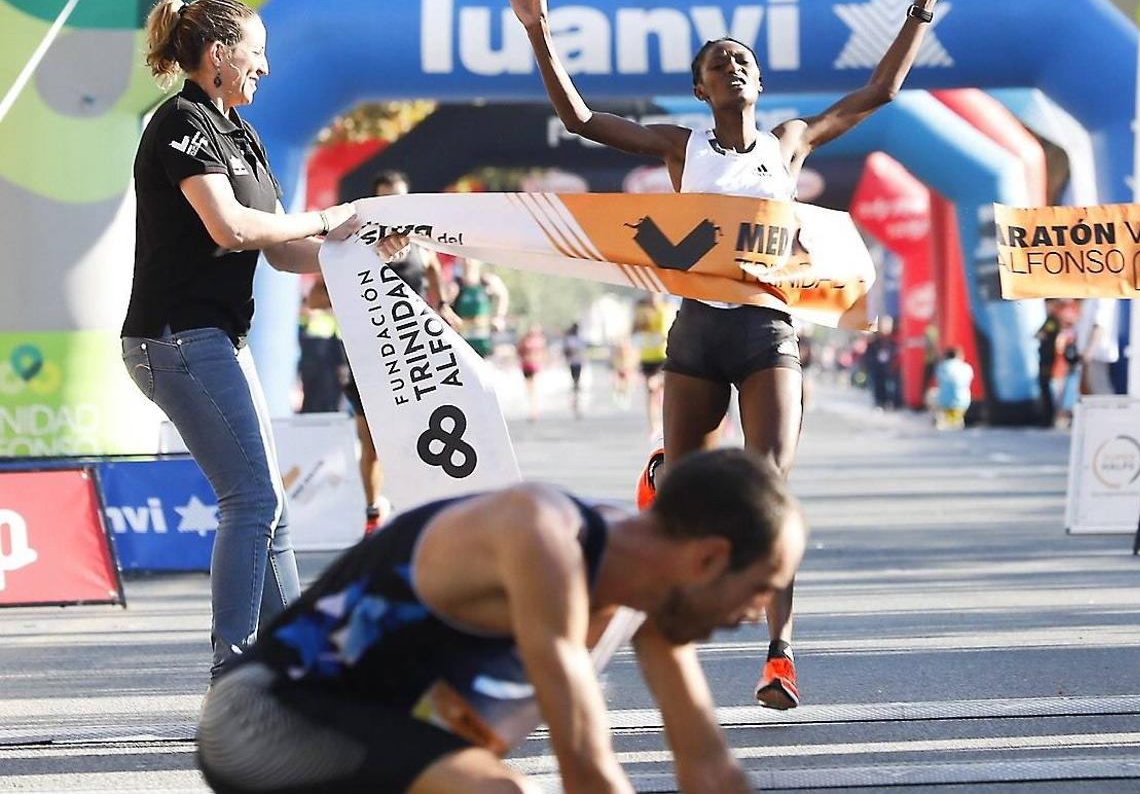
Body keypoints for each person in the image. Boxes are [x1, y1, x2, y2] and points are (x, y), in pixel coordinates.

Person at [502, 0, 953, 709]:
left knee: (767, 489)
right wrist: (540, 31)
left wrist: (923, 4)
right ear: (701, 87)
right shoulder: (680, 147)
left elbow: (876, 93)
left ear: (756, 79)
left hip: (765, 332)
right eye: (718, 63)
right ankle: (667, 592)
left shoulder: (788, 142)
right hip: (695, 337)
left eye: (742, 59)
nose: (733, 66)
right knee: (681, 496)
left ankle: (780, 654)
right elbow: (577, 119)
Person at [197, 448, 804, 794]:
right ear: (708, 558)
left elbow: (708, 767)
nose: (754, 617)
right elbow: (587, 766)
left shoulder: (656, 593)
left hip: (391, 736)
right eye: (760, 592)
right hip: (261, 721)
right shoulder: (543, 535)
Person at [121, 0, 361, 680]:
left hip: (216, 340)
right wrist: (325, 217)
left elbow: (285, 252)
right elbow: (230, 229)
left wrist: (364, 248)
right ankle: (235, 671)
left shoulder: (242, 134)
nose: (267, 66)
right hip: (173, 340)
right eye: (256, 52)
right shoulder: (181, 123)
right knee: (252, 499)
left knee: (268, 503)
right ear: (219, 56)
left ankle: (298, 666)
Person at [343, 171, 449, 533]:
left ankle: (416, 515)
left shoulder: (420, 241)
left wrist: (444, 305)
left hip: (415, 357)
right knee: (371, 443)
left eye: (400, 199)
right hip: (368, 355)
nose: (394, 207)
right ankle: (373, 514)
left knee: (416, 437)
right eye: (387, 199)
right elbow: (317, 296)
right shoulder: (357, 242)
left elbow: (434, 272)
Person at [442, 257, 509, 359]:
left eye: (471, 258)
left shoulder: (486, 282)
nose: (467, 261)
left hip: (484, 344)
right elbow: (444, 308)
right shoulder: (456, 286)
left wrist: (499, 317)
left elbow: (502, 294)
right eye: (463, 258)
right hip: (463, 347)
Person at [297, 278, 344, 413]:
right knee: (315, 391)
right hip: (317, 342)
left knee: (332, 391)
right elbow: (310, 306)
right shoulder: (321, 284)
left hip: (335, 344)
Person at [630, 294, 673, 436]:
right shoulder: (642, 311)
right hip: (647, 357)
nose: (653, 298)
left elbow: (666, 332)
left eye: (656, 295)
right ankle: (653, 425)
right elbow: (634, 331)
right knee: (650, 393)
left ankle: (666, 422)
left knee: (657, 387)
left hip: (663, 356)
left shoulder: (665, 310)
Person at [1075, 297, 1120, 397]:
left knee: (1100, 391)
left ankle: (1110, 412)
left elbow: (1099, 326)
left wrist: (1089, 352)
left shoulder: (1104, 298)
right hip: (1089, 355)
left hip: (1096, 354)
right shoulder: (1092, 297)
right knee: (1091, 391)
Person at [930, 346, 975, 430]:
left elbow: (939, 381)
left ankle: (939, 417)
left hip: (944, 402)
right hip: (963, 402)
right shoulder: (966, 367)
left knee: (932, 393)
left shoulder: (941, 367)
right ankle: (956, 419)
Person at [1034, 299, 1062, 426]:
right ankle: (1047, 417)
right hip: (1046, 358)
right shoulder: (1051, 319)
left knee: (1046, 387)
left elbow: (1043, 334)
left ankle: (1048, 418)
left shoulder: (1052, 320)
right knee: (1045, 387)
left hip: (1048, 358)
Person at [517, 323, 547, 421]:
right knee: (529, 389)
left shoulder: (540, 340)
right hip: (526, 365)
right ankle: (532, 410)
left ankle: (534, 411)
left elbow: (543, 353)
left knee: (534, 389)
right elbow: (519, 351)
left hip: (535, 366)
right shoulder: (526, 340)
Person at [562, 322, 586, 419]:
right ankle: (575, 397)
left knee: (576, 381)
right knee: (575, 381)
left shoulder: (575, 339)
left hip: (576, 362)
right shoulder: (571, 339)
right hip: (573, 363)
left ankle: (576, 397)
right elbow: (567, 351)